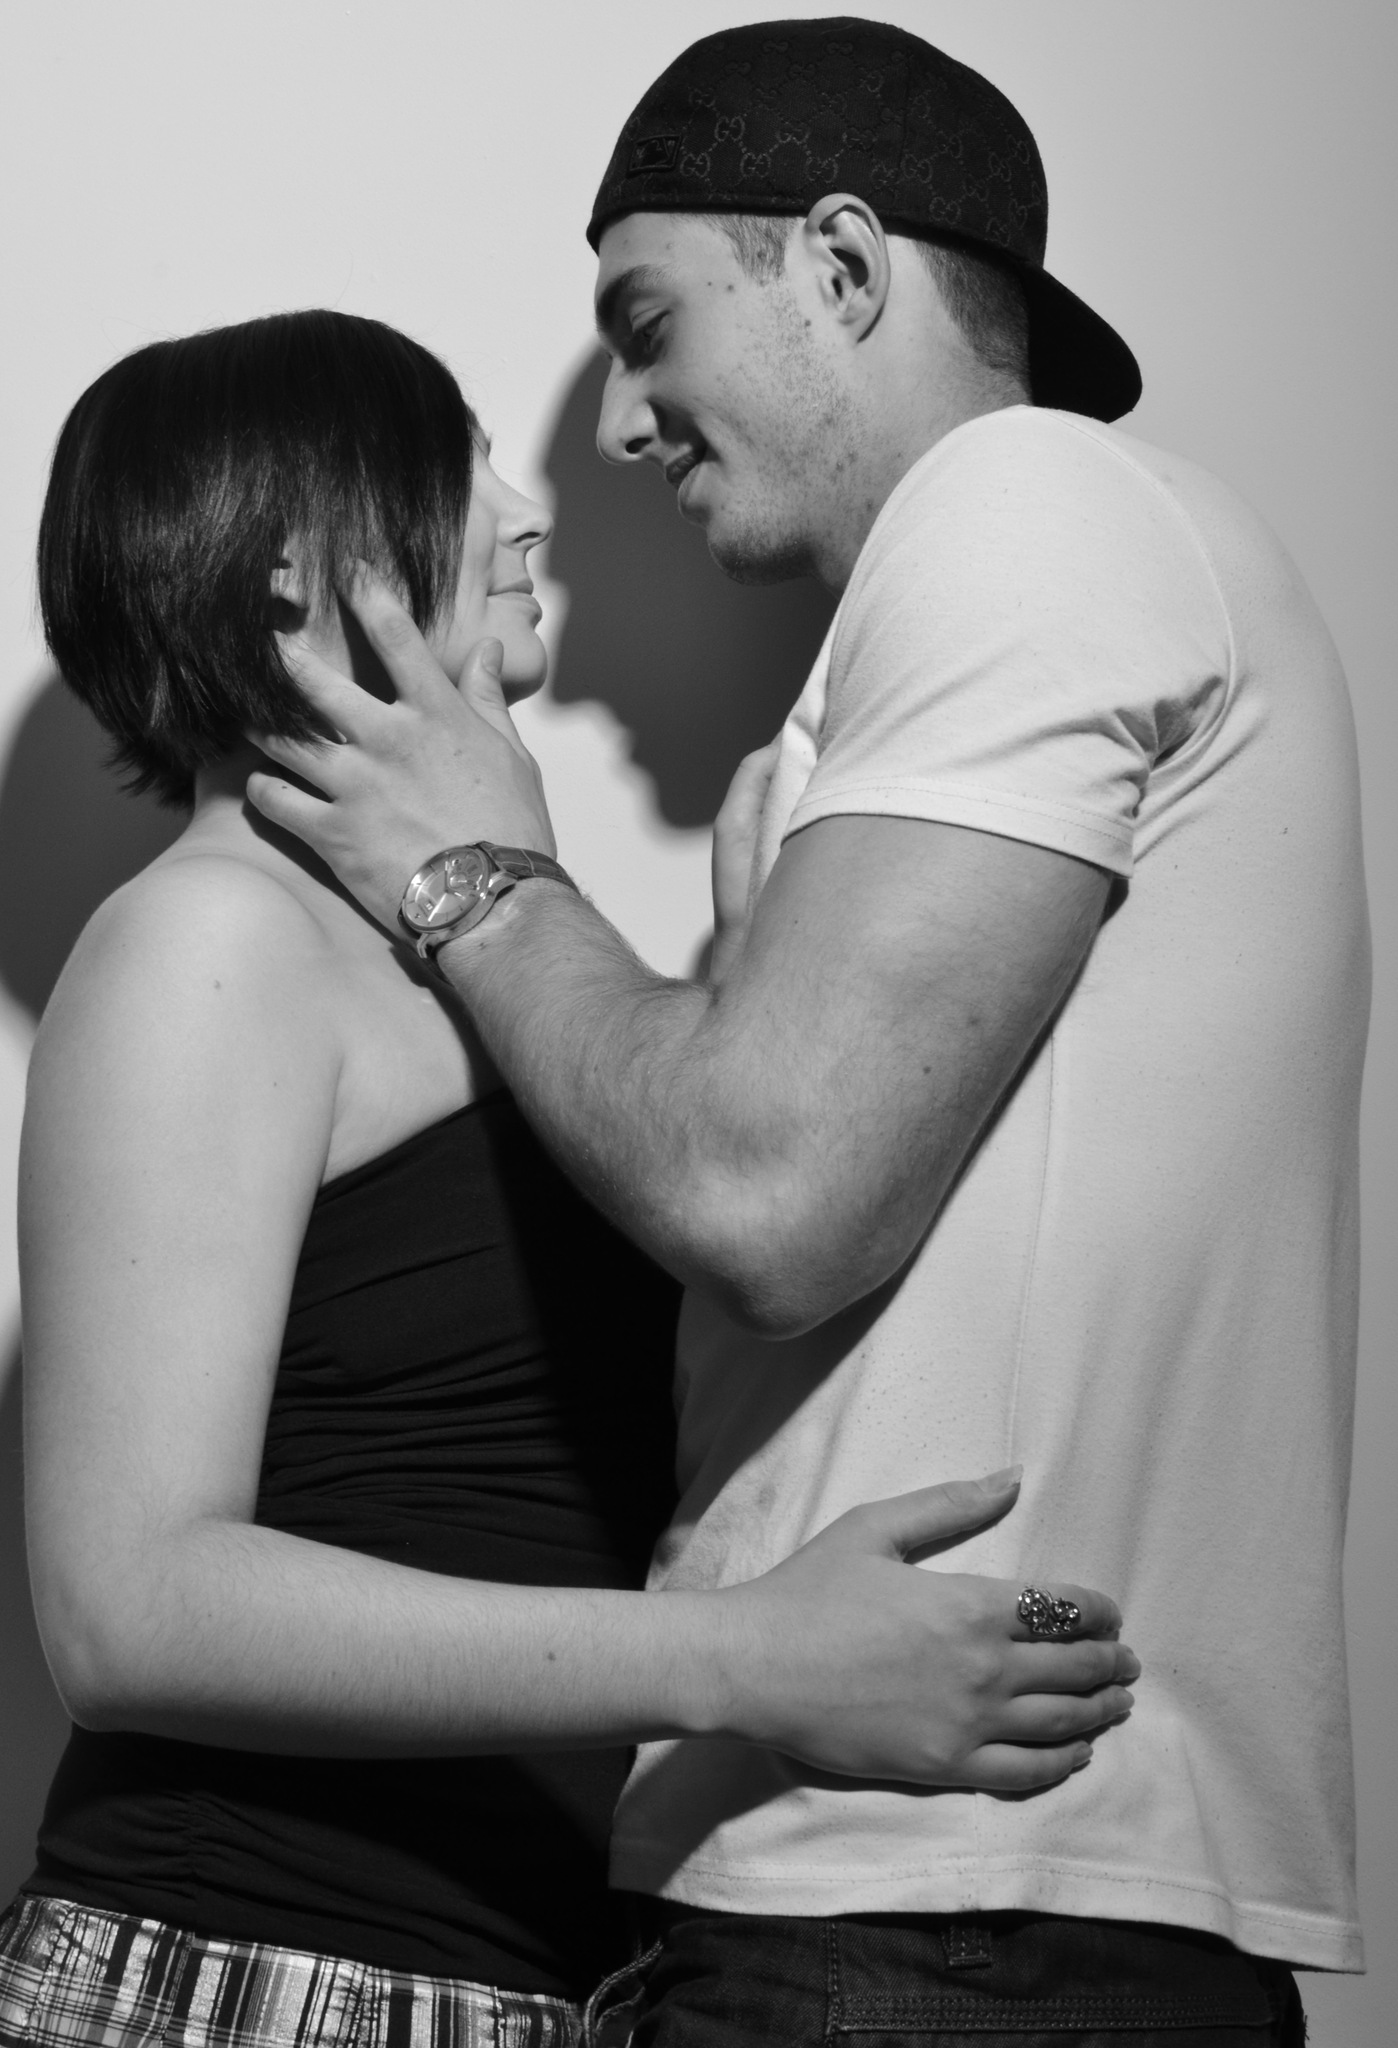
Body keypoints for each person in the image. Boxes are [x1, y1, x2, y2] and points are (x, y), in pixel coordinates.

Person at [245, 18, 1368, 2047]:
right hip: (920, 1907)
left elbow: (768, 1193)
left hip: (947, 1918)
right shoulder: (963, 626)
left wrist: (473, 870)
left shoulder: (1031, 497)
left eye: (647, 329)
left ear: (842, 268)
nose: (621, 428)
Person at [2, 307, 1136, 2048]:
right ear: (296, 566)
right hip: (248, 1980)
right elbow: (126, 1609)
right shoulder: (207, 942)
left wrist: (744, 991)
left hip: (539, 1986)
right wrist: (751, 1661)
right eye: (459, 465)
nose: (530, 514)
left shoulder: (485, 953)